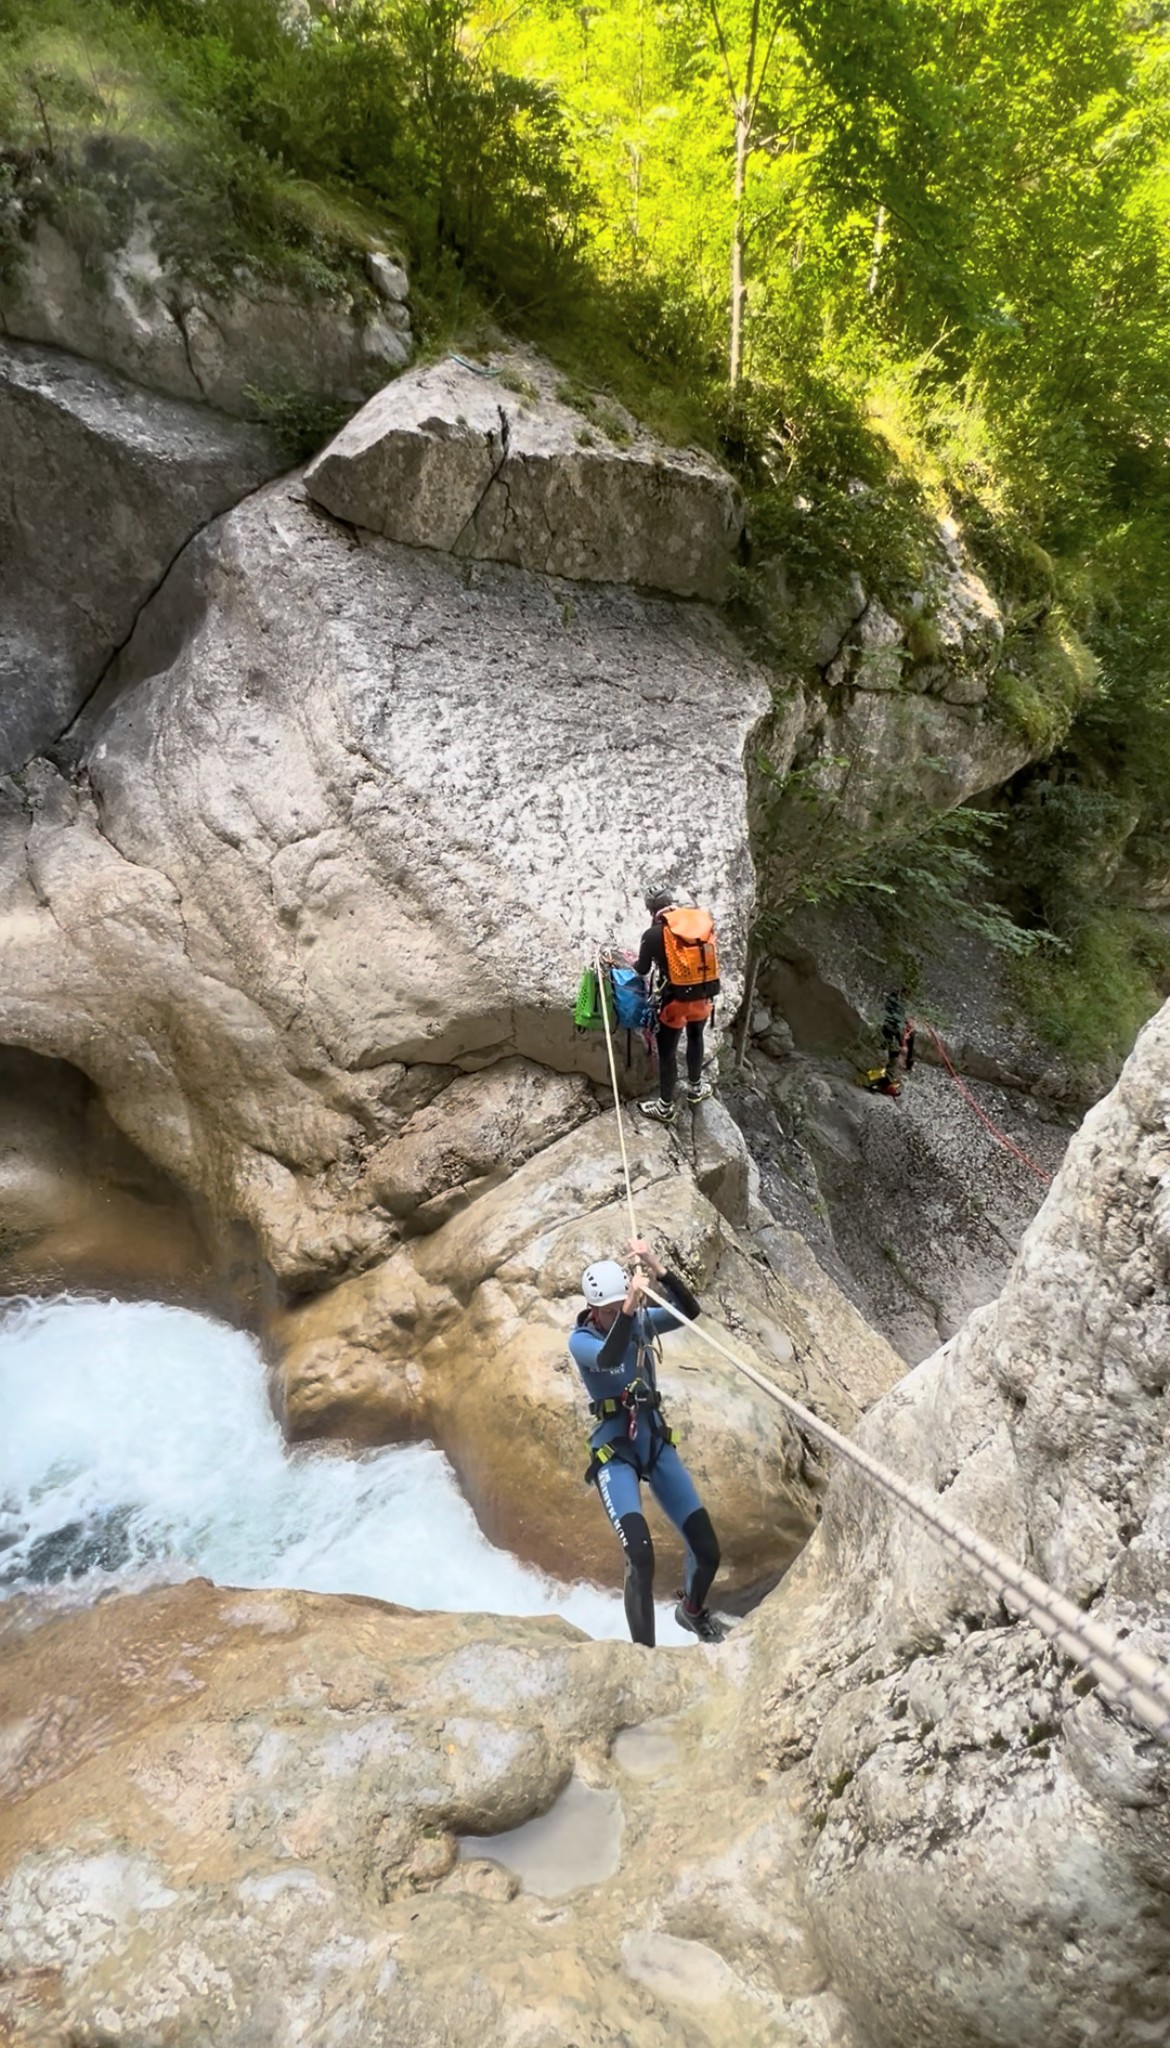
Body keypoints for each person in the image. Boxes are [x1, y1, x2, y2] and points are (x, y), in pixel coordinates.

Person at [568, 1236, 726, 1647]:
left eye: (616, 1307)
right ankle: (644, 1655)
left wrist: (657, 1268)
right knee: (640, 1557)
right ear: (593, 1310)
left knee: (708, 1549)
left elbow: (690, 1312)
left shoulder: (638, 1321)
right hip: (615, 1454)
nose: (611, 1315)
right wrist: (628, 1308)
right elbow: (609, 1357)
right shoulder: (582, 1340)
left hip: (653, 1443)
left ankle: (691, 1612)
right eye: (605, 1310)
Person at [636, 886, 715, 1126]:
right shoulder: (698, 924)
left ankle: (665, 1107)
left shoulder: (653, 934)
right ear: (672, 903)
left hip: (674, 1002)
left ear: (651, 910)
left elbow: (642, 969)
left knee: (668, 1052)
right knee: (695, 1037)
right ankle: (695, 1087)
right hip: (702, 996)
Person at [867, 987, 916, 1097]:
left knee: (892, 1055)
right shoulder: (896, 1002)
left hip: (889, 1029)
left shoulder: (897, 1003)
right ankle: (879, 1081)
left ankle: (883, 1081)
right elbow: (896, 1022)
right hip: (888, 1029)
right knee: (891, 1054)